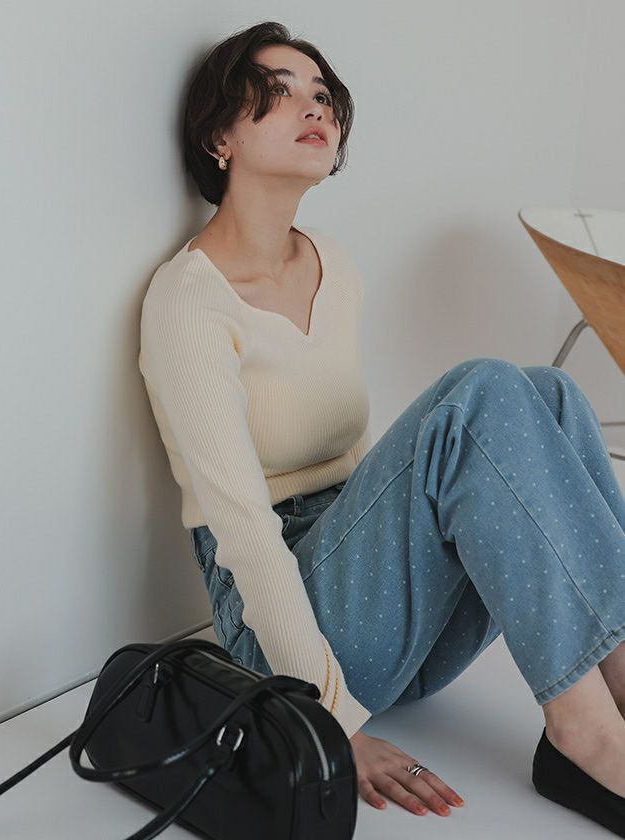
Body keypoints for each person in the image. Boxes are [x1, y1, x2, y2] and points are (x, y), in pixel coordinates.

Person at [138, 20, 625, 832]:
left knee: (550, 395)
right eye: (278, 93)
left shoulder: (331, 263)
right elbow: (244, 534)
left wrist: (411, 545)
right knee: (479, 394)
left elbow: (362, 470)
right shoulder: (188, 303)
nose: (315, 108)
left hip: (387, 625)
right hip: (284, 639)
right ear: (220, 137)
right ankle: (589, 738)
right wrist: (327, 720)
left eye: (322, 94)